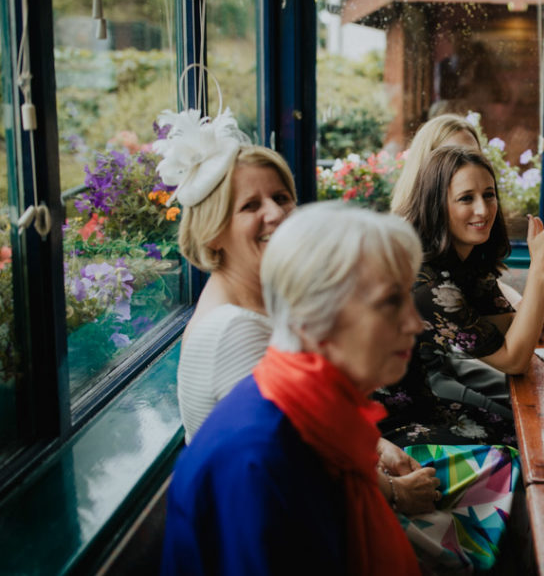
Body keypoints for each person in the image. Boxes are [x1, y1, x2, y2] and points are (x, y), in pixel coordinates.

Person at [154, 109, 438, 517]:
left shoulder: (267, 300)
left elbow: (313, 420)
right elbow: (300, 454)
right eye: (251, 205)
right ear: (212, 232)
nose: (276, 213)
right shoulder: (233, 329)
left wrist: (377, 446)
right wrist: (396, 494)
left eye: (282, 197)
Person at [162, 204, 426, 574]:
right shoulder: (258, 460)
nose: (416, 323)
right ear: (311, 318)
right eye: (390, 302)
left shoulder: (319, 410)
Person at [381, 146, 544, 446]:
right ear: (437, 204)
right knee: (531, 436)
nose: (483, 209)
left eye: (489, 195)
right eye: (466, 198)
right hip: (398, 418)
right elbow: (512, 359)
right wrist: (542, 269)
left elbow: (509, 327)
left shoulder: (469, 260)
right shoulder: (427, 282)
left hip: (429, 392)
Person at [391, 112, 544, 336]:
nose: (464, 162)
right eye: (450, 155)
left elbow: (482, 283)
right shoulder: (410, 246)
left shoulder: (465, 233)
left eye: (471, 154)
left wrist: (525, 309)